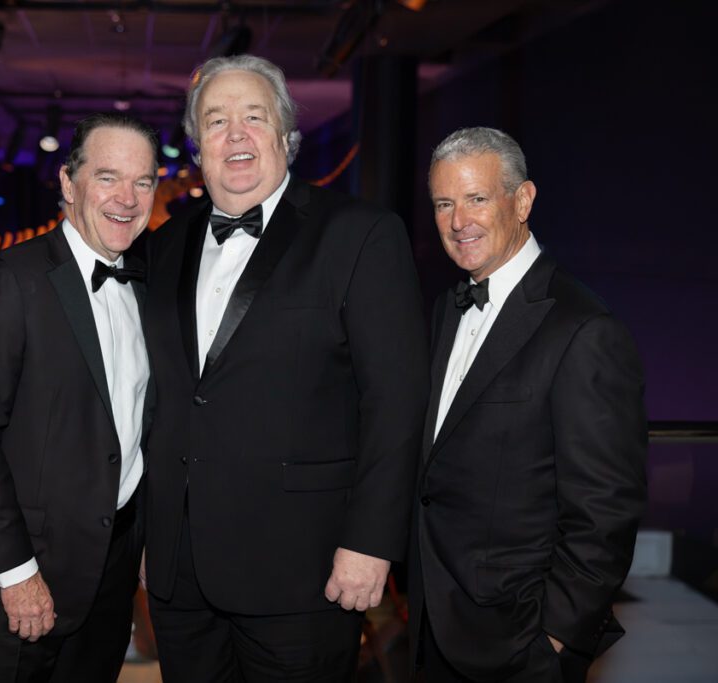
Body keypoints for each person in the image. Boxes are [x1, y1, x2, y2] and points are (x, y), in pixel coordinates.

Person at [142, 54, 429, 681]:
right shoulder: (165, 243)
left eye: (254, 116)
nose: (236, 134)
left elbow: (398, 401)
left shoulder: (359, 234)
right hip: (179, 575)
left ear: (286, 136)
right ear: (198, 146)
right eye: (216, 121)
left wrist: (372, 542)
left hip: (305, 571)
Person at [409, 126, 647, 682]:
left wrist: (555, 638)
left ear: (523, 200)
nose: (458, 220)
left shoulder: (583, 328)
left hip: (518, 643)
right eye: (444, 203)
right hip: (435, 624)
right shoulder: (447, 307)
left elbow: (604, 511)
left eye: (476, 198)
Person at [0, 112, 159, 681]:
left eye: (144, 181)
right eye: (108, 177)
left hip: (111, 574)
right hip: (19, 574)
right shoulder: (9, 280)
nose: (126, 198)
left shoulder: (150, 285)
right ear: (67, 183)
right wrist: (16, 573)